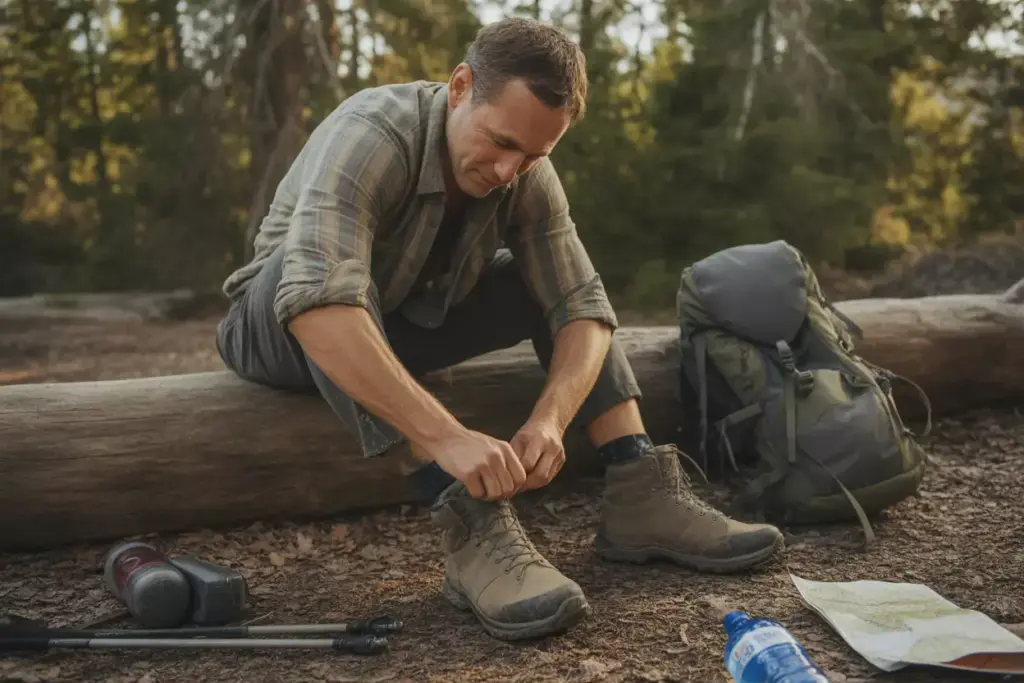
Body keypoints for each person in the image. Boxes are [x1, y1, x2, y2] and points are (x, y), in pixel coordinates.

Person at [215, 17, 784, 642]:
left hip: (400, 315)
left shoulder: (524, 167)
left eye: (534, 155)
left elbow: (583, 306)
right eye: (501, 143)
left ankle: (640, 490)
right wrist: (449, 440)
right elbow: (317, 302)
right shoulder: (371, 132)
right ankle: (472, 524)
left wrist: (551, 418)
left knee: (535, 281)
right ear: (460, 86)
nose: (509, 170)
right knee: (329, 284)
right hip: (274, 323)